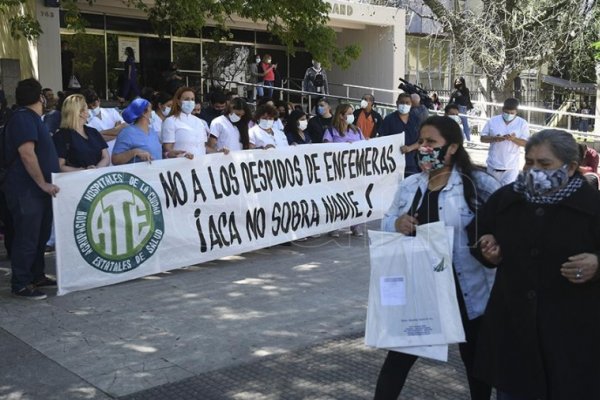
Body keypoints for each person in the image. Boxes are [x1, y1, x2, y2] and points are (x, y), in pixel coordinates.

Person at [375, 115, 500, 400]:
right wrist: (396, 224)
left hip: (467, 294)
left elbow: (508, 221)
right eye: (421, 141)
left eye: (432, 142)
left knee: (475, 367)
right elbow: (387, 221)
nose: (424, 147)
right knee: (398, 361)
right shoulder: (410, 186)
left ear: (453, 147)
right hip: (424, 293)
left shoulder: (478, 184)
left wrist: (495, 243)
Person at [474, 130, 600, 400]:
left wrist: (597, 264)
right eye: (529, 162)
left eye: (545, 164)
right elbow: (476, 232)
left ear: (571, 167)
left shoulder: (593, 206)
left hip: (572, 339)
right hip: (514, 334)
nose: (534, 171)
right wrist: (486, 247)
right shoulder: (507, 199)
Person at [2, 78, 60, 299]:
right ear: (41, 98)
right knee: (27, 235)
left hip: (38, 191)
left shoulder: (32, 119)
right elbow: (27, 153)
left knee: (40, 235)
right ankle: (21, 282)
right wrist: (42, 183)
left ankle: (37, 275)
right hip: (27, 190)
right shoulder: (23, 118)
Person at [323, 103, 365, 237]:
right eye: (349, 113)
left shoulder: (357, 131)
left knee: (355, 196)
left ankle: (355, 225)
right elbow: (325, 148)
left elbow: (365, 146)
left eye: (352, 113)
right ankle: (334, 226)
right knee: (337, 197)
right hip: (337, 170)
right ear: (341, 116)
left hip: (354, 170)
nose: (352, 116)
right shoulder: (331, 131)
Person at [53, 94, 109, 171]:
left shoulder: (93, 132)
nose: (89, 111)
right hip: (76, 181)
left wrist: (96, 169)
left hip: (98, 179)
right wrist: (83, 171)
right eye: (87, 108)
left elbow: (105, 156)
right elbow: (60, 165)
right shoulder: (61, 136)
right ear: (80, 112)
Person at [480, 98, 529, 186]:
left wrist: (514, 139)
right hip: (493, 165)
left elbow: (526, 143)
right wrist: (494, 138)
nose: (509, 115)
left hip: (511, 168)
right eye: (506, 113)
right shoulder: (493, 121)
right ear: (502, 110)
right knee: (491, 192)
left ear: (516, 112)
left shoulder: (522, 123)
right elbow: (482, 138)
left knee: (507, 195)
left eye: (512, 113)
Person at [161, 87, 215, 159]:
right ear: (178, 102)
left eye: (192, 99)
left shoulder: (200, 122)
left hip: (201, 166)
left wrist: (219, 152)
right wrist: (181, 155)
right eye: (186, 99)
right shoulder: (170, 121)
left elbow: (203, 147)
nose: (190, 102)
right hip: (181, 166)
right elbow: (168, 149)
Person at [112, 98, 163, 164]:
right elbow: (115, 159)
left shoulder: (152, 131)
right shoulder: (127, 133)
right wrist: (134, 152)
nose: (152, 113)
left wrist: (168, 154)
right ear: (144, 113)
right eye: (150, 109)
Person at [381, 93, 420, 177]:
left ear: (411, 104)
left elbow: (422, 140)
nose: (404, 105)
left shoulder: (416, 119)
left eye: (407, 103)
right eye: (402, 102)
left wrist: (409, 148)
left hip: (411, 163)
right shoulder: (389, 119)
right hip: (392, 164)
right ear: (397, 103)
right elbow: (382, 139)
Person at [83, 89, 127, 158]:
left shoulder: (111, 111)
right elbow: (95, 138)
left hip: (119, 152)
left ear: (99, 100)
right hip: (102, 156)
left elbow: (123, 127)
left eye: (94, 105)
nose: (92, 108)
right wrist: (115, 132)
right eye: (89, 107)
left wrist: (100, 133)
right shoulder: (85, 120)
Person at [449, 77, 473, 142]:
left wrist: (469, 106)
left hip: (463, 108)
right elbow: (451, 99)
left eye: (459, 82)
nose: (457, 83)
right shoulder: (455, 90)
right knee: (455, 124)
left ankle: (468, 139)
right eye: (456, 82)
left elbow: (467, 99)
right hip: (456, 108)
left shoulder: (465, 90)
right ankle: (460, 139)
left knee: (465, 124)